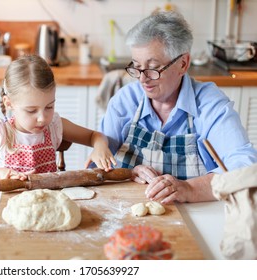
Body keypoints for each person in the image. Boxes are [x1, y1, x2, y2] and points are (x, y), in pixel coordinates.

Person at [99, 11, 257, 204]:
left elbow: (245, 168)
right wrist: (126, 174)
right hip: (127, 211)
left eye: (153, 68)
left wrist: (190, 188)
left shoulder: (209, 104)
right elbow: (97, 165)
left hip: (197, 217)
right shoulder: (126, 100)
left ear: (183, 64)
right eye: (137, 66)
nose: (142, 79)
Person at [0, 54, 116, 189]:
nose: (42, 118)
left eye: (49, 107)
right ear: (9, 103)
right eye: (31, 110)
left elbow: (95, 136)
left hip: (48, 205)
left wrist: (100, 146)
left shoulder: (54, 125)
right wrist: (0, 173)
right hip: (6, 211)